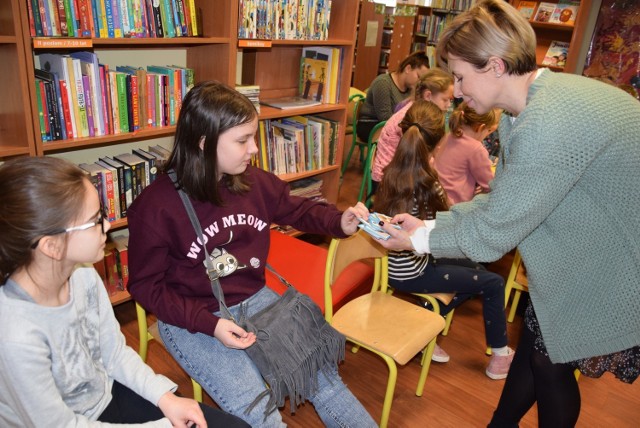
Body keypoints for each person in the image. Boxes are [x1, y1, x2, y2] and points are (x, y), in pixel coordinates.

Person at [376, 1, 640, 426]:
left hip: (615, 259)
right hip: (591, 247)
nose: (458, 91)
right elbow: (503, 200)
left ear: (495, 66)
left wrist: (418, 240)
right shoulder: (536, 104)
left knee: (550, 364)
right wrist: (429, 225)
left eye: (461, 77)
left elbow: (494, 233)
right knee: (538, 350)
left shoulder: (546, 122)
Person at [126, 81, 376, 427]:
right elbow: (145, 287)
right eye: (242, 140)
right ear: (203, 143)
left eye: (253, 137)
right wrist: (210, 325)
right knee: (260, 413)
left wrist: (340, 222)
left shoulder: (252, 181)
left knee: (326, 384)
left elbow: (297, 210)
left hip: (256, 299)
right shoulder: (156, 207)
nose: (253, 149)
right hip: (193, 317)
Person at [0, 156, 249, 428]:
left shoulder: (83, 275)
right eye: (95, 221)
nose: (107, 226)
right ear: (51, 246)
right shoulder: (15, 335)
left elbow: (114, 353)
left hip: (106, 396)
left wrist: (166, 399)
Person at [374, 100, 513, 377]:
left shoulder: (391, 171)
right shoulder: (428, 181)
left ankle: (427, 320)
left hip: (392, 264)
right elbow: (445, 223)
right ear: (438, 143)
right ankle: (499, 355)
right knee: (494, 283)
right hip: (413, 269)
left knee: (476, 271)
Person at [372, 68, 454, 187]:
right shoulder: (414, 119)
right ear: (428, 95)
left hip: (399, 172)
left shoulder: (419, 112)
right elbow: (416, 160)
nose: (448, 105)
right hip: (388, 181)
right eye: (445, 100)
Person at [433, 101, 500, 205]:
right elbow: (490, 185)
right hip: (455, 205)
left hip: (437, 197)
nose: (487, 135)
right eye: (488, 131)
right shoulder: (476, 148)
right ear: (481, 127)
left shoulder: (450, 135)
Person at [356, 51, 430, 142]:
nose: (419, 82)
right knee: (406, 140)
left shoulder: (411, 90)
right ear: (408, 68)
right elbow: (385, 118)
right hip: (371, 125)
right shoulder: (383, 83)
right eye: (418, 76)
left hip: (392, 126)